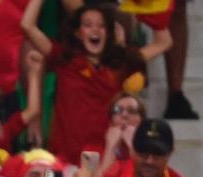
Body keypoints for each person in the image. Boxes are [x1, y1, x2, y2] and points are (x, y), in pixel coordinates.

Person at [23, 0, 164, 163]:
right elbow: (27, 25)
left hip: (105, 163)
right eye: (88, 25)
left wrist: (153, 7)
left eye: (101, 26)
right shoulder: (64, 59)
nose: (95, 30)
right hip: (62, 162)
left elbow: (163, 42)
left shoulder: (121, 65)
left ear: (109, 32)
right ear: (78, 32)